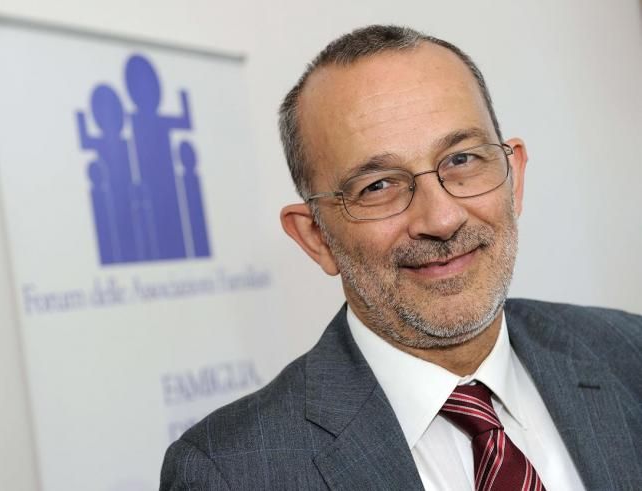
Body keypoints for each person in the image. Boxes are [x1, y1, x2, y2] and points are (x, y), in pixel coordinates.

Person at [160, 25, 642, 490]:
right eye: (378, 186)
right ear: (316, 237)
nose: (442, 218)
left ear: (513, 178)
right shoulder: (232, 472)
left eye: (462, 159)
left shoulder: (629, 353)